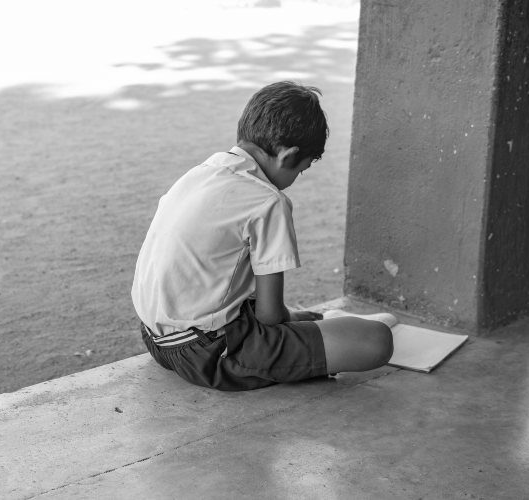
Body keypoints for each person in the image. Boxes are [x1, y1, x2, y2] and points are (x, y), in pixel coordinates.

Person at [131, 81, 394, 391]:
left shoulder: (202, 172)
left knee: (277, 309)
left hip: (155, 338)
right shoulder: (268, 201)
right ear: (288, 156)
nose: (297, 177)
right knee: (376, 339)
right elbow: (270, 316)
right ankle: (324, 330)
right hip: (207, 353)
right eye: (301, 170)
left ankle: (322, 323)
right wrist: (290, 322)